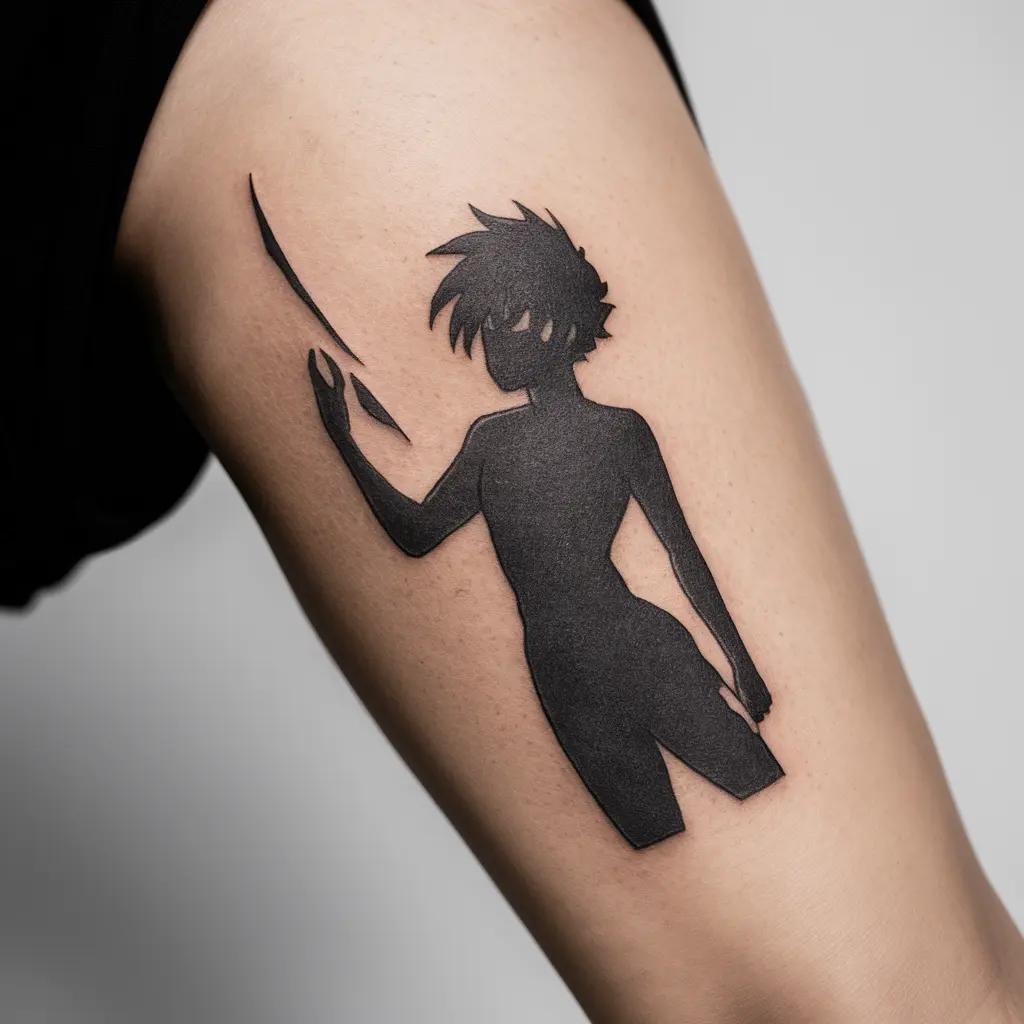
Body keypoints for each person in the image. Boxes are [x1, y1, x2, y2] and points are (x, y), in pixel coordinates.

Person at [7, 0, 1024, 1020]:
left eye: (498, 323)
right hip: (563, 681)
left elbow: (684, 556)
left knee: (848, 988)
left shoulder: (380, 87)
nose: (486, 345)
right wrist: (347, 439)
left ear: (550, 321)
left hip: (637, 647)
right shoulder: (492, 443)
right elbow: (417, 533)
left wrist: (743, 664)